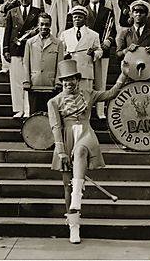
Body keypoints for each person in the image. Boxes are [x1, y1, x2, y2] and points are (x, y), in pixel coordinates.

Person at [47, 59, 129, 244]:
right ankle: (73, 226)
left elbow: (110, 94)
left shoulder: (88, 93)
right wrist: (60, 151)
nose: (68, 83)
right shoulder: (54, 102)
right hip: (66, 139)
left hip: (85, 133)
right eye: (65, 80)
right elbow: (55, 127)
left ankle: (78, 195)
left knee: (81, 151)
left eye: (71, 79)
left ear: (78, 79)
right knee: (67, 186)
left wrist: (123, 74)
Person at [3, 0, 41, 118]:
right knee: (16, 81)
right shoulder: (11, 12)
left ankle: (28, 109)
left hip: (32, 49)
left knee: (29, 81)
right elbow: (7, 33)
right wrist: (5, 50)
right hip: (15, 49)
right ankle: (19, 109)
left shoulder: (37, 12)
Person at [83, 0, 116, 119]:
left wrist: (108, 41)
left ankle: (101, 111)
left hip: (103, 50)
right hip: (87, 51)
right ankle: (88, 109)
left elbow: (112, 31)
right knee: (88, 81)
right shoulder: (83, 11)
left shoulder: (107, 11)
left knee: (101, 82)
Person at [23, 12, 64, 114]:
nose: (44, 27)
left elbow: (60, 64)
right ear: (38, 25)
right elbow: (26, 63)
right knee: (34, 116)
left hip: (50, 86)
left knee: (50, 115)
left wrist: (58, 82)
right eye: (42, 24)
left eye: (46, 24)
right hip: (34, 85)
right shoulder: (30, 42)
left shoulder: (58, 43)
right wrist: (26, 81)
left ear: (50, 25)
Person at [60, 5, 103, 91]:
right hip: (70, 72)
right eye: (75, 17)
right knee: (70, 99)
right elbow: (61, 51)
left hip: (85, 72)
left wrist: (93, 53)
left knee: (85, 99)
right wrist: (65, 56)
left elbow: (99, 52)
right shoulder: (65, 34)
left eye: (80, 17)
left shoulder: (93, 35)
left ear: (85, 18)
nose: (77, 19)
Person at [116, 0, 150, 67]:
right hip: (129, 69)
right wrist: (127, 50)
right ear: (132, 14)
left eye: (142, 12)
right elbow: (118, 55)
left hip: (147, 70)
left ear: (146, 15)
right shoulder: (125, 33)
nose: (138, 14)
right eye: (136, 12)